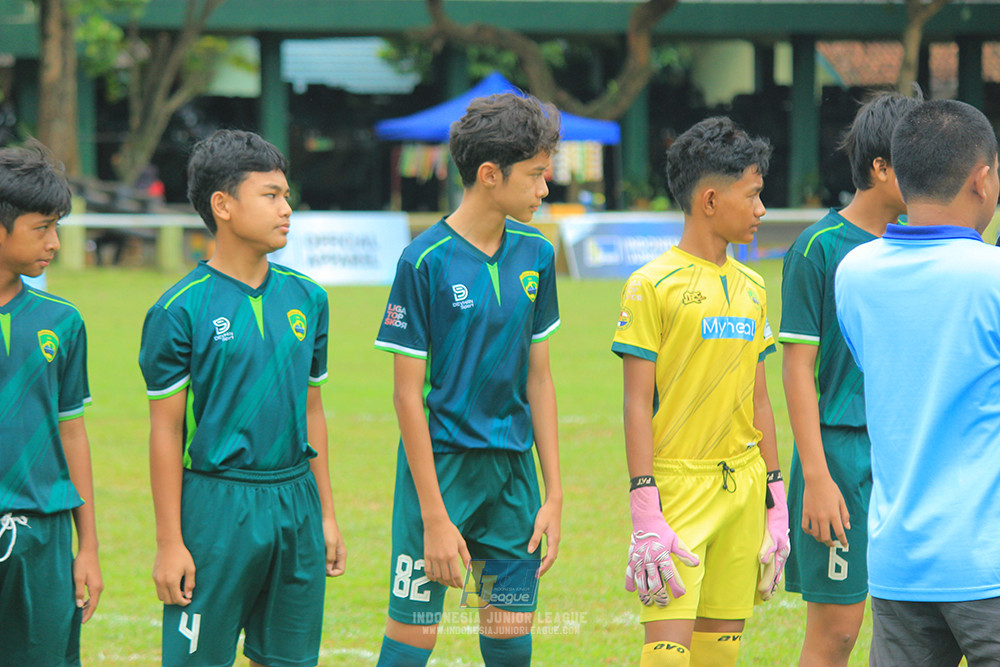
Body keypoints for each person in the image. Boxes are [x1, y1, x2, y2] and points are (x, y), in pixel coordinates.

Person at [138, 129, 346, 667]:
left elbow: (312, 410)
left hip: (296, 500)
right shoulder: (179, 309)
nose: (287, 209)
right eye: (270, 195)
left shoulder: (308, 297)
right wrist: (170, 542)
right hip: (217, 507)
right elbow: (166, 431)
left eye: (286, 195)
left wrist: (325, 514)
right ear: (223, 205)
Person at [373, 92, 563, 667]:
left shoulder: (536, 254)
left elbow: (539, 380)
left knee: (509, 637)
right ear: (489, 175)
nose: (545, 188)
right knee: (414, 638)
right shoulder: (423, 260)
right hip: (443, 472)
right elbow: (406, 395)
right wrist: (434, 514)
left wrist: (553, 492)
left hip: (512, 478)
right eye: (535, 175)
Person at [612, 116, 788, 667]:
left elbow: (760, 400)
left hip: (744, 488)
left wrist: (776, 499)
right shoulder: (651, 285)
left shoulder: (754, 286)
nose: (762, 210)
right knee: (666, 656)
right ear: (710, 200)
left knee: (719, 657)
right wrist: (645, 505)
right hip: (677, 490)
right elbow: (635, 403)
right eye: (753, 195)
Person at [835, 99, 1000, 666]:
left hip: (899, 562)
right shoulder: (992, 277)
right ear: (981, 179)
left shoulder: (855, 273)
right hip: (987, 563)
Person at [778, 91, 920, 667]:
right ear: (881, 167)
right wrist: (816, 477)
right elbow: (796, 370)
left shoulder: (921, 244)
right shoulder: (818, 249)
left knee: (918, 625)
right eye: (914, 160)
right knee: (837, 632)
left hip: (907, 453)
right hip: (839, 455)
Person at [0, 141, 103, 665]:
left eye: (57, 227)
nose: (55, 243)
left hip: (44, 533)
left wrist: (88, 548)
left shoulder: (62, 321)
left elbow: (72, 432)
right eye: (41, 228)